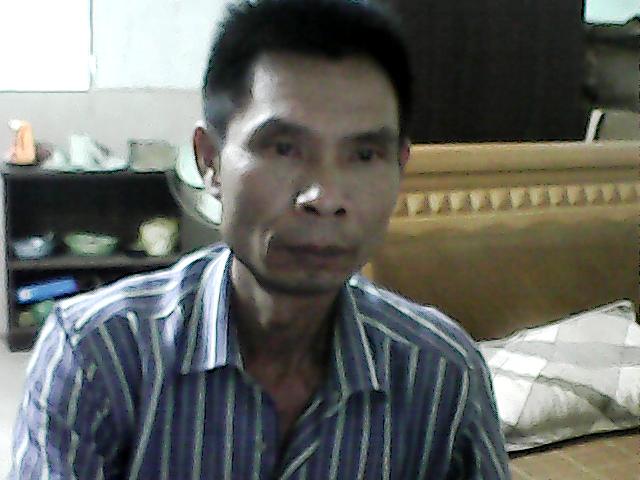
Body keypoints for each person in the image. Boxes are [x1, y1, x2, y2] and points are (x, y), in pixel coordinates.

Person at [10, 0, 511, 478]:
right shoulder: (99, 357)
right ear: (210, 161)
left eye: (364, 155)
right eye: (284, 147)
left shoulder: (442, 375)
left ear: (399, 167)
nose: (324, 197)